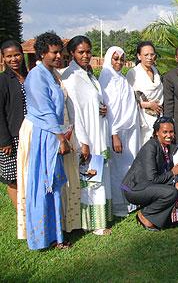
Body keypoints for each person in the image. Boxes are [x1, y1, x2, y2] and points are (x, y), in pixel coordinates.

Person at [18, 32, 70, 250]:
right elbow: (46, 110)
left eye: (60, 52)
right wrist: (60, 138)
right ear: (42, 53)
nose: (59, 56)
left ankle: (57, 234)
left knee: (54, 185)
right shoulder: (37, 76)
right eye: (54, 52)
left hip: (52, 132)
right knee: (43, 185)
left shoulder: (52, 74)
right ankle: (43, 236)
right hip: (41, 133)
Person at [61, 36, 112, 236]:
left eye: (88, 51)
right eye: (81, 52)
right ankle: (92, 223)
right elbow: (75, 114)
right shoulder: (70, 77)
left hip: (97, 130)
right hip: (86, 135)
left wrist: (101, 109)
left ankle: (102, 218)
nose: (86, 55)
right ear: (72, 53)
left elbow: (92, 101)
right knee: (89, 179)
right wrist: (83, 142)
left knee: (98, 175)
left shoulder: (88, 74)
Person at [121, 117, 178, 231]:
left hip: (149, 185)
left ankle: (171, 217)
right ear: (156, 133)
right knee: (171, 193)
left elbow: (170, 171)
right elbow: (152, 179)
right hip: (134, 188)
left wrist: (177, 180)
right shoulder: (151, 146)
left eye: (171, 131)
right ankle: (145, 215)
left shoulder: (167, 146)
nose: (169, 135)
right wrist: (173, 173)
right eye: (165, 132)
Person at [99, 46, 141, 217]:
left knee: (129, 167)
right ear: (109, 59)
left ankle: (129, 201)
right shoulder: (106, 78)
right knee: (118, 170)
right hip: (117, 132)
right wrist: (114, 134)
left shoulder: (121, 78)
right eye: (115, 59)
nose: (119, 62)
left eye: (121, 59)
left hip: (130, 130)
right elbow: (110, 109)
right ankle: (119, 204)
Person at [0, 40, 27, 210]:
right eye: (9, 56)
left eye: (16, 55)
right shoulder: (3, 80)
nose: (14, 59)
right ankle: (21, 216)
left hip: (29, 134)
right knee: (14, 179)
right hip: (12, 138)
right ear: (3, 58)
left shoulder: (28, 76)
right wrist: (4, 141)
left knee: (27, 176)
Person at [126, 41, 163, 146]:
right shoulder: (133, 73)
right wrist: (149, 105)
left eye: (152, 54)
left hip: (158, 116)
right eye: (146, 55)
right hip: (141, 118)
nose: (149, 57)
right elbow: (128, 99)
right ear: (139, 56)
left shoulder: (156, 71)